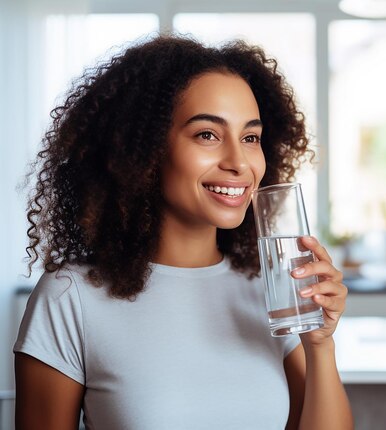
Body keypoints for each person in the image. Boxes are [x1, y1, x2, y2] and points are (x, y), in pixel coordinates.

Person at [14, 34, 353, 430]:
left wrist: (320, 345)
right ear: (144, 150)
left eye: (250, 138)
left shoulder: (273, 289)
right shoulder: (72, 297)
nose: (238, 163)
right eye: (207, 134)